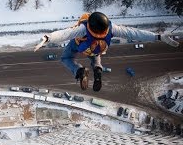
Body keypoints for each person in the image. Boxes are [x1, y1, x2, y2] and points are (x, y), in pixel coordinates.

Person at [34, 12, 179, 92]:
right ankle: (97, 70)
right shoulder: (112, 28)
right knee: (96, 58)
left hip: (82, 47)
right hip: (97, 50)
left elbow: (65, 34)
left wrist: (48, 38)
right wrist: (157, 36)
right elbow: (134, 33)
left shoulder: (83, 29)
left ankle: (79, 72)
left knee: (66, 58)